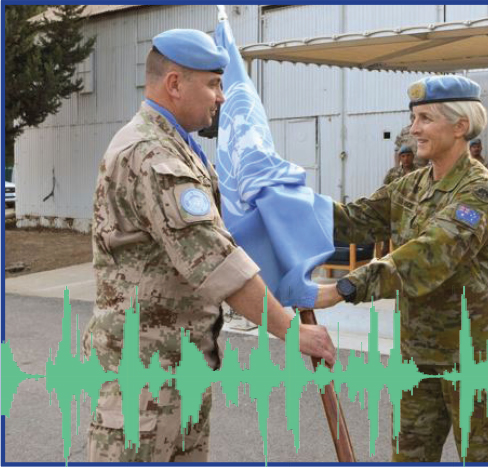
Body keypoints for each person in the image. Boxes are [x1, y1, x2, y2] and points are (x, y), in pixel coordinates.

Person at [82, 29, 336, 462]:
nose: (222, 96)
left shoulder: (178, 146)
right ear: (174, 83)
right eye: (214, 84)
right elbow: (216, 261)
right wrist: (291, 331)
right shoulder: (152, 155)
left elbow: (220, 236)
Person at [314, 75, 488, 462]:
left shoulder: (480, 190)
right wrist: (291, 202)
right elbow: (354, 219)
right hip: (419, 354)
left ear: (460, 126)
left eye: (425, 118)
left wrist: (344, 288)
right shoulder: (411, 186)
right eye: (413, 118)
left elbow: (431, 254)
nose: (414, 129)